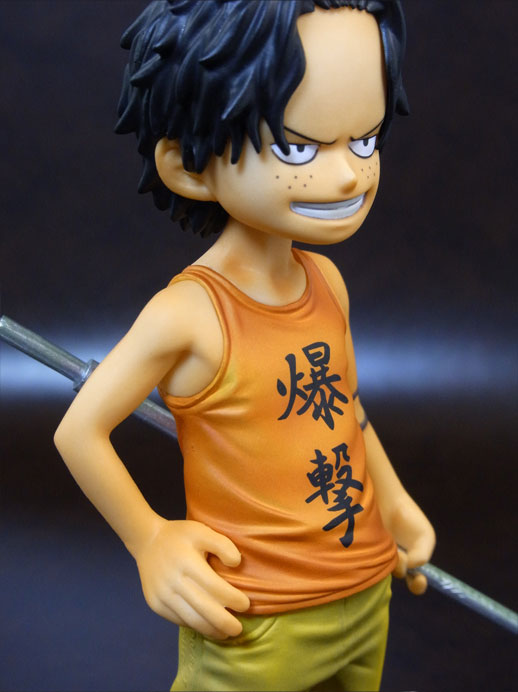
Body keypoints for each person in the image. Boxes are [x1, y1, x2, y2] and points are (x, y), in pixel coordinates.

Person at [55, 1, 435, 689]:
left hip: (365, 592)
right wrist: (150, 538)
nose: (347, 176)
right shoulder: (190, 315)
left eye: (365, 141)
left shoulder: (327, 282)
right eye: (297, 148)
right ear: (187, 166)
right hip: (255, 619)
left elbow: (345, 409)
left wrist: (396, 500)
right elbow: (80, 431)